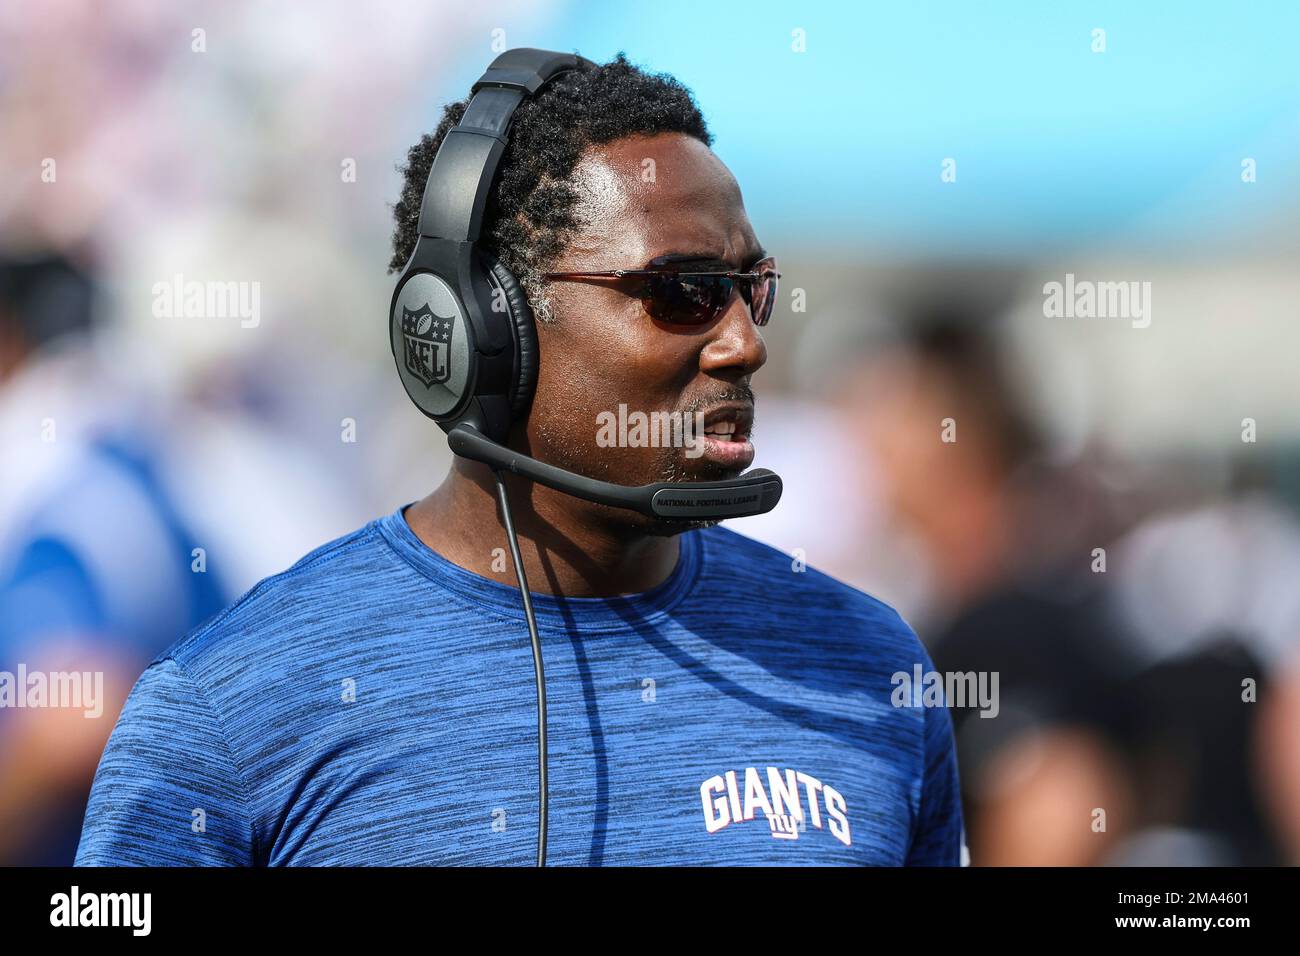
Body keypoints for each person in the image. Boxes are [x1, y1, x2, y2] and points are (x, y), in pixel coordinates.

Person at [75, 52, 964, 866]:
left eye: (749, 290)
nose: (743, 344)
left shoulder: (865, 661)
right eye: (684, 291)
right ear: (483, 332)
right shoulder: (233, 708)